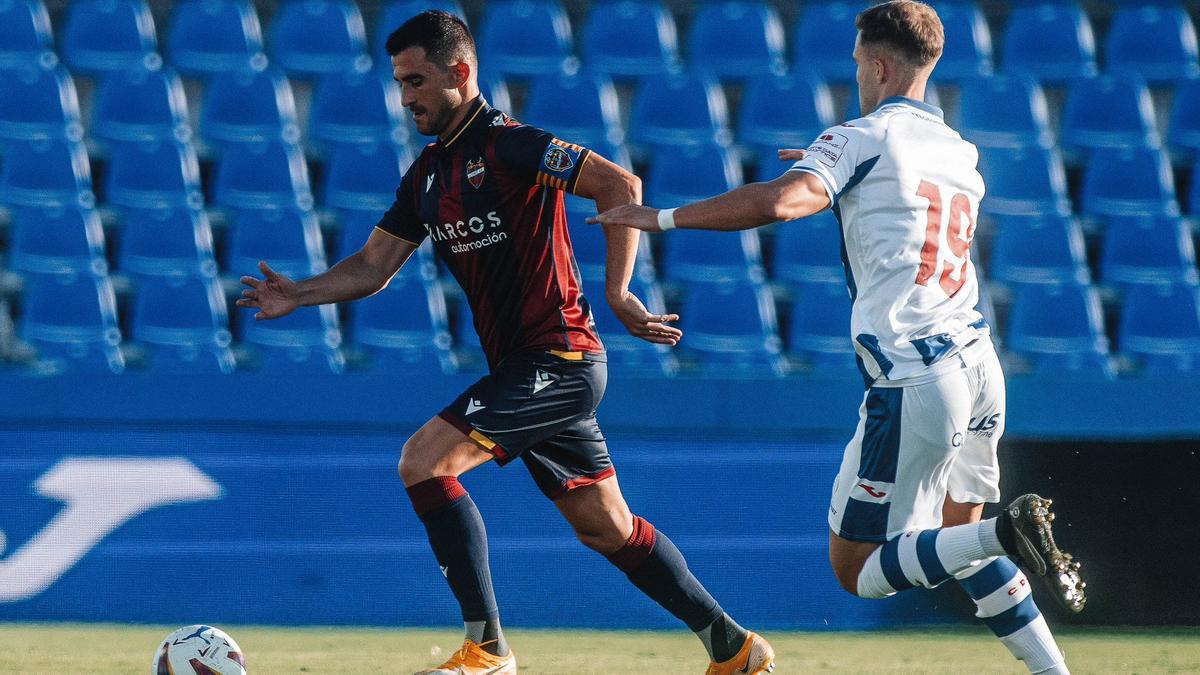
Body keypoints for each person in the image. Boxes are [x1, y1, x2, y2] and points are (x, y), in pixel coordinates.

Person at [238, 10, 775, 675]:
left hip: (561, 358)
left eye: (416, 81)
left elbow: (619, 184)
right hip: (531, 369)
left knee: (424, 460)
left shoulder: (513, 145)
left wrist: (618, 292)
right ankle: (736, 647)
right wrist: (302, 293)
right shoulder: (429, 177)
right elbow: (373, 267)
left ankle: (487, 648)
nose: (406, 98)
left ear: (460, 72)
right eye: (400, 83)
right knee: (606, 526)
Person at [591, 2, 1086, 673]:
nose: (857, 76)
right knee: (959, 541)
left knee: (856, 568)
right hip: (978, 367)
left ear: (879, 64)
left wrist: (663, 218)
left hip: (916, 375)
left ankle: (1010, 527)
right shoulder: (959, 150)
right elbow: (896, 200)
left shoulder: (862, 137)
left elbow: (779, 202)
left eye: (858, 64)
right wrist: (839, 166)